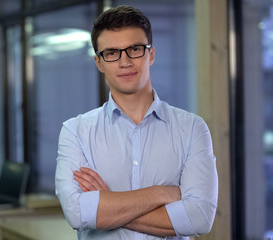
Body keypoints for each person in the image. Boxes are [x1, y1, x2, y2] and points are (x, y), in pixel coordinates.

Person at [55, 5, 218, 240]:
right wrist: (163, 194)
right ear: (99, 63)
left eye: (134, 49)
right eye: (111, 52)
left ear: (151, 54)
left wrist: (108, 204)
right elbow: (78, 214)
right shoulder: (75, 131)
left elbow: (200, 218)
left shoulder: (192, 128)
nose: (124, 62)